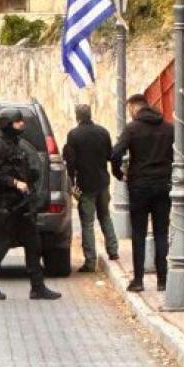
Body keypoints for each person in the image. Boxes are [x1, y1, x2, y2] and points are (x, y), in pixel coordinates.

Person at [0, 108, 61, 301]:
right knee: (1, 244)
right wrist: (15, 183)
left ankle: (38, 288)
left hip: (22, 204)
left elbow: (20, 169)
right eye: (18, 122)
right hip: (7, 204)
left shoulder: (17, 145)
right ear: (8, 124)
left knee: (34, 244)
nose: (22, 125)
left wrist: (31, 176)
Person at [111, 94, 173, 292]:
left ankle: (138, 280)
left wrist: (119, 173)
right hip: (163, 184)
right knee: (161, 232)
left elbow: (115, 153)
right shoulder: (168, 128)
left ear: (133, 107)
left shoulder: (132, 128)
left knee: (138, 233)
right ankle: (163, 280)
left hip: (139, 186)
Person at [63, 104, 118, 272]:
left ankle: (90, 261)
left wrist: (72, 182)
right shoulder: (103, 132)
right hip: (103, 182)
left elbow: (71, 162)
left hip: (86, 184)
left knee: (87, 223)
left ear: (77, 116)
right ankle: (113, 250)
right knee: (105, 216)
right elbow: (110, 155)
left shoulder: (73, 135)